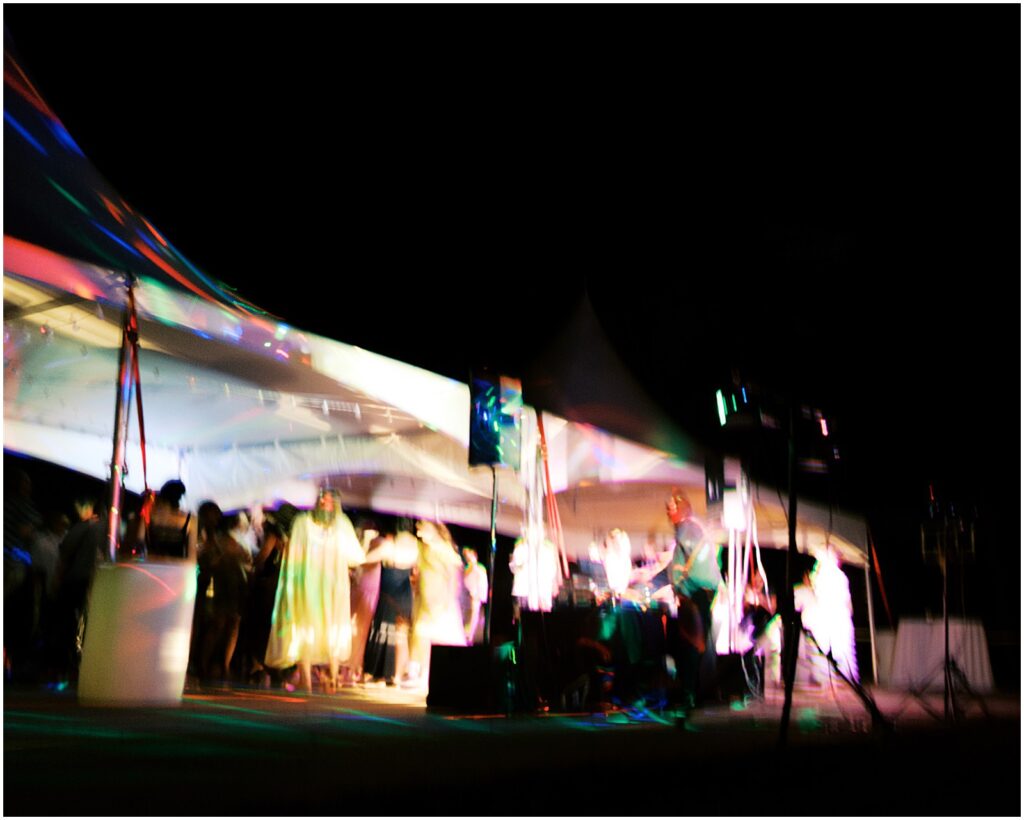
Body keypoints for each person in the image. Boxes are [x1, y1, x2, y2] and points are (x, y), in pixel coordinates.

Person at [264, 488, 365, 693]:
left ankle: (333, 677)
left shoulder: (341, 524)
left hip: (333, 587)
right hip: (308, 586)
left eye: (329, 501)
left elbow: (355, 556)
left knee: (331, 628)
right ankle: (306, 681)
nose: (325, 504)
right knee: (305, 628)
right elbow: (294, 557)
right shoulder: (303, 522)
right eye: (322, 500)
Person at [666, 489, 722, 710]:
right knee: (695, 646)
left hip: (695, 596)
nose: (669, 513)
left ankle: (690, 693)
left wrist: (680, 587)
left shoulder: (687, 529)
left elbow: (684, 566)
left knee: (693, 646)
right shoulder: (695, 530)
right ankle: (691, 693)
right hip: (698, 594)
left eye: (672, 508)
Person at [196, 502, 252, 684]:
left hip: (232, 586)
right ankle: (205, 665)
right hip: (219, 585)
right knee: (218, 625)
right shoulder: (214, 538)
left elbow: (246, 560)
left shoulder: (228, 540)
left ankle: (222, 666)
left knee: (230, 625)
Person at [406, 519, 465, 687]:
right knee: (422, 636)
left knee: (441, 637)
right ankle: (421, 673)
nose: (418, 533)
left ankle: (434, 676)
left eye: (421, 529)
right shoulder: (423, 549)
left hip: (441, 603)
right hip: (426, 601)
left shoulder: (442, 549)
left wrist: (448, 599)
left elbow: (453, 576)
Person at [363, 524, 418, 686]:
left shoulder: (388, 547)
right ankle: (397, 675)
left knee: (384, 632)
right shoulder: (415, 547)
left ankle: (380, 673)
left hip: (388, 595)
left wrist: (366, 541)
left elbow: (365, 560)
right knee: (400, 637)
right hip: (404, 596)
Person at [344, 519, 384, 686]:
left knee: (360, 632)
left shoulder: (380, 544)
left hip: (368, 591)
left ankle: (353, 668)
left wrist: (367, 541)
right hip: (356, 588)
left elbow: (362, 560)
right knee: (348, 629)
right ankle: (345, 667)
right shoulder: (359, 542)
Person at [131, 479, 198, 561]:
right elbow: (191, 552)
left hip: (151, 565)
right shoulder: (190, 519)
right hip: (177, 566)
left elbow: (139, 542)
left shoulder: (149, 516)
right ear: (180, 497)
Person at [461, 547, 488, 645]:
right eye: (465, 554)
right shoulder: (466, 567)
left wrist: (479, 595)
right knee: (466, 615)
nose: (467, 556)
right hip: (466, 597)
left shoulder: (480, 567)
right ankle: (465, 635)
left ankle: (470, 636)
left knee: (473, 616)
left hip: (475, 596)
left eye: (468, 553)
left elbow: (483, 583)